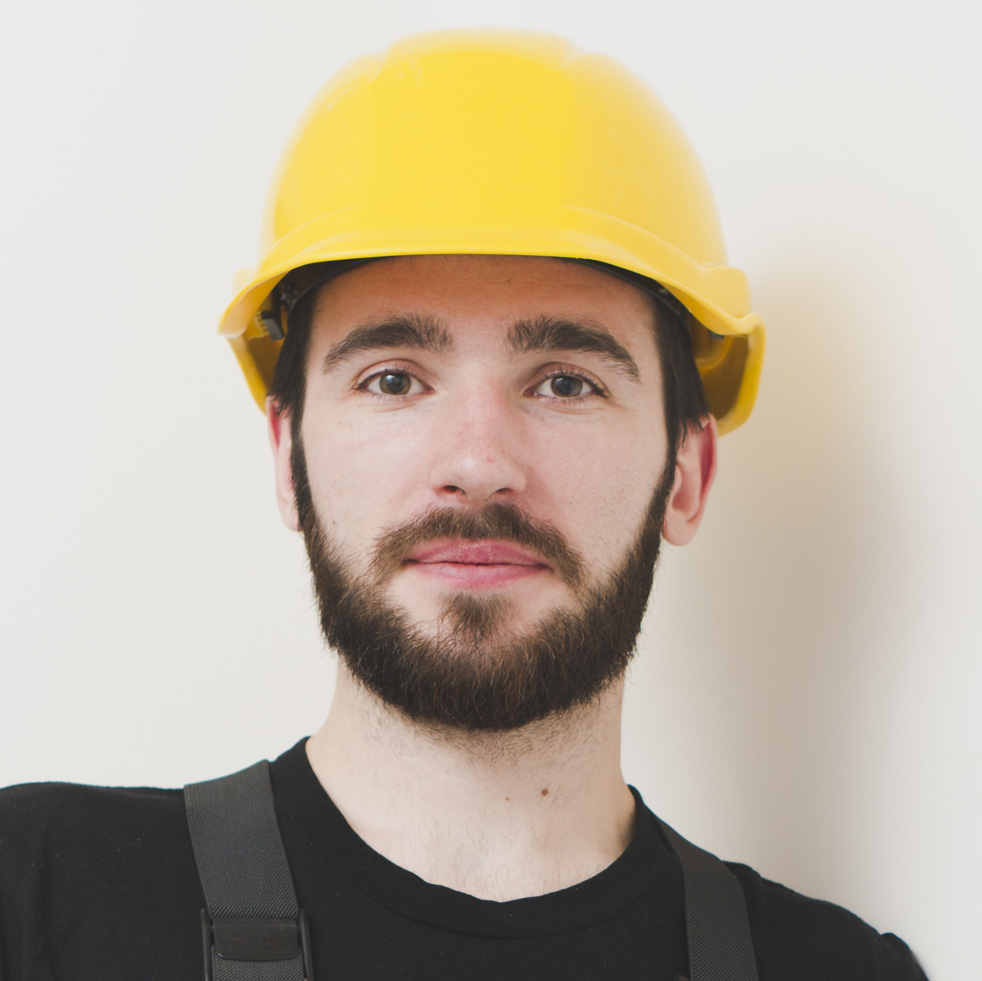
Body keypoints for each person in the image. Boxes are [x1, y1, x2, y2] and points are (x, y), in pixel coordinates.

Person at [0, 29, 926, 980]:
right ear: (288, 456)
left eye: (565, 382)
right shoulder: (35, 900)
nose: (479, 464)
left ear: (686, 473)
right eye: (394, 379)